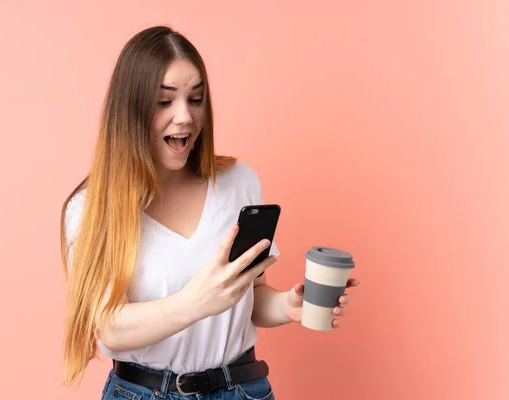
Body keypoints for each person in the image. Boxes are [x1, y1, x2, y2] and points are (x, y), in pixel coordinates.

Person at [60, 26, 359, 400]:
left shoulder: (238, 182)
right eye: (164, 101)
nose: (185, 117)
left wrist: (287, 306)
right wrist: (196, 302)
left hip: (241, 389)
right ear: (130, 107)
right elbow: (109, 326)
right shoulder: (90, 208)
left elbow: (249, 296)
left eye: (196, 99)